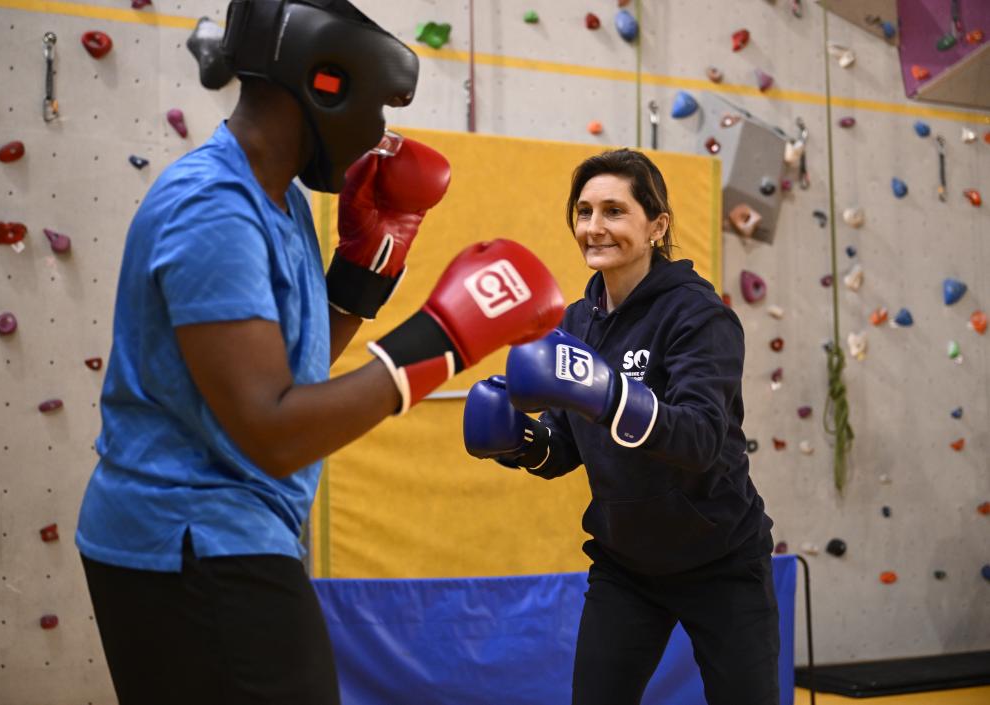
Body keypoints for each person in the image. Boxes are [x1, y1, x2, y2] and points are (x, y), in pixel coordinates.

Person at [74, 1, 565, 703]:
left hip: (223, 532)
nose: (381, 135)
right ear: (326, 82)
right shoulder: (212, 207)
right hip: (190, 538)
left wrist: (365, 271)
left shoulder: (278, 202)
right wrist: (446, 339)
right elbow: (272, 431)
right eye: (381, 110)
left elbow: (292, 371)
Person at [463, 149, 779, 705]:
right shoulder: (577, 322)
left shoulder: (699, 316)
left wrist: (611, 397)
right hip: (627, 565)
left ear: (656, 226)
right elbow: (563, 451)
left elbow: (702, 439)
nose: (594, 227)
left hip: (720, 560)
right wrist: (517, 440)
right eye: (584, 212)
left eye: (614, 211)